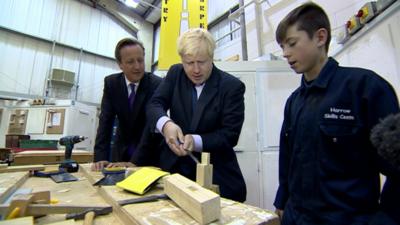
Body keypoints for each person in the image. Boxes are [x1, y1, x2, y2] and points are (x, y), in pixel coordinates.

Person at [273, 2, 399, 225]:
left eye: (292, 44)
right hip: (298, 218)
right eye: (282, 46)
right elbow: (287, 160)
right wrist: (282, 203)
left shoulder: (365, 89)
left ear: (320, 38)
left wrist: (387, 218)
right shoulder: (294, 101)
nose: (285, 53)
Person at [146, 28, 247, 202]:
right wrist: (166, 124)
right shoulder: (175, 73)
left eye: (202, 62)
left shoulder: (231, 87)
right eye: (189, 63)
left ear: (212, 57)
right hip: (176, 172)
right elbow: (155, 104)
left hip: (216, 176)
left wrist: (196, 141)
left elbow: (230, 135)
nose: (196, 70)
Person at [92, 38, 162, 171]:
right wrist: (100, 157)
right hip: (120, 154)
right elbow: (105, 121)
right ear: (120, 64)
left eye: (140, 60)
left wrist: (136, 162)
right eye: (130, 62)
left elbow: (150, 127)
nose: (137, 66)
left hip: (149, 155)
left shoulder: (156, 84)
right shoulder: (112, 84)